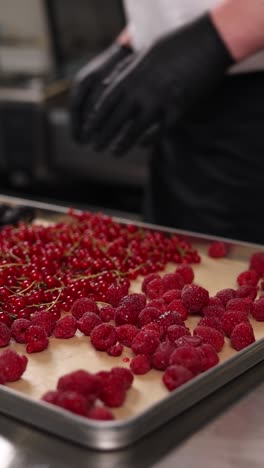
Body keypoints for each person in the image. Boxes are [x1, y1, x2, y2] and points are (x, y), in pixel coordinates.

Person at [70, 0, 264, 244]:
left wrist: (210, 38)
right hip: (186, 98)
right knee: (180, 261)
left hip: (250, 100)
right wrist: (136, 39)